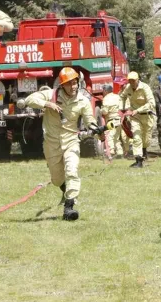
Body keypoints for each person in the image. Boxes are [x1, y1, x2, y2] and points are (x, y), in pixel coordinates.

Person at [24, 68, 102, 221]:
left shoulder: (83, 101)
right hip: (51, 143)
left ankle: (69, 208)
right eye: (69, 84)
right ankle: (66, 189)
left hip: (71, 141)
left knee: (72, 171)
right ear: (62, 85)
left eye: (75, 83)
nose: (73, 87)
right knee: (57, 179)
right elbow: (28, 100)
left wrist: (96, 129)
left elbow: (89, 121)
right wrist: (47, 104)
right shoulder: (51, 94)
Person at [120, 71, 157, 168]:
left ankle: (144, 153)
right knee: (136, 137)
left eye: (133, 80)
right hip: (135, 117)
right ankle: (138, 160)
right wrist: (122, 109)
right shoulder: (128, 88)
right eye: (130, 80)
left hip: (147, 115)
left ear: (137, 80)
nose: (131, 82)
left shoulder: (145, 88)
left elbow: (152, 103)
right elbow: (122, 97)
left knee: (146, 139)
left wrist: (138, 110)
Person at [100, 83, 126, 159]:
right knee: (116, 137)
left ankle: (111, 151)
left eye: (103, 90)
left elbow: (105, 111)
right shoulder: (117, 96)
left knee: (109, 136)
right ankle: (120, 152)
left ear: (105, 91)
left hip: (111, 120)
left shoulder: (106, 99)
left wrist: (101, 110)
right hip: (119, 120)